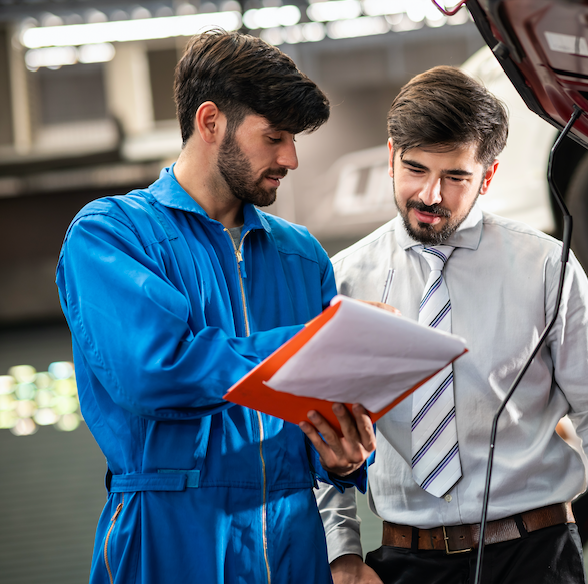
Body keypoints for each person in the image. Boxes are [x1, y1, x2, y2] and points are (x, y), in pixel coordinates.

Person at [316, 65, 588, 584]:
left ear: (488, 176)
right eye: (415, 169)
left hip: (534, 557)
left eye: (455, 177)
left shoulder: (546, 267)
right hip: (404, 564)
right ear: (390, 156)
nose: (430, 195)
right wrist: (342, 556)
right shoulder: (342, 280)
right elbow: (320, 429)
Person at [55, 30, 376, 584]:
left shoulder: (302, 256)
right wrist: (311, 343)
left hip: (293, 541)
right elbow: (157, 372)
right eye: (274, 137)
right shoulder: (111, 235)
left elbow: (326, 409)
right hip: (169, 536)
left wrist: (342, 457)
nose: (291, 158)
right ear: (210, 122)